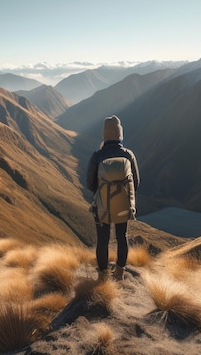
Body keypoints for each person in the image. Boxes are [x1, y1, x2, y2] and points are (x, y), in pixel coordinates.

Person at [87, 115, 140, 282]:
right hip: (123, 205)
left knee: (102, 240)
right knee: (121, 237)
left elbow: (89, 183)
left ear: (105, 134)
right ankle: (119, 272)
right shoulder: (128, 155)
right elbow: (136, 182)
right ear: (120, 134)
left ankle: (102, 276)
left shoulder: (97, 156)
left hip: (102, 206)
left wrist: (103, 192)